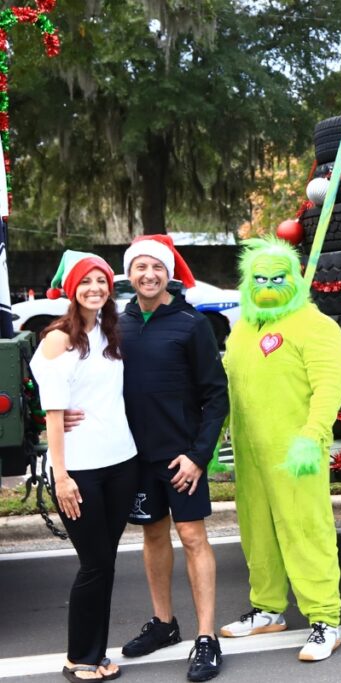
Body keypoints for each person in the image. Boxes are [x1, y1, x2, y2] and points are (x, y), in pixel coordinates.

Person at [64, 236, 229, 681]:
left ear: (169, 273)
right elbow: (86, 376)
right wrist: (63, 415)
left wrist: (198, 456)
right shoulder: (115, 324)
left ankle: (206, 637)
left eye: (156, 268)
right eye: (139, 268)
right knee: (152, 536)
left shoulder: (192, 324)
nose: (148, 275)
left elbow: (216, 397)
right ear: (129, 274)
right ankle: (164, 624)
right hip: (131, 459)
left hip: (182, 459)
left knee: (193, 537)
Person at [217, 238, 341, 660]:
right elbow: (228, 389)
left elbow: (330, 386)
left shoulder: (315, 325)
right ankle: (268, 608)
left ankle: (325, 619)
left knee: (306, 531)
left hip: (297, 453)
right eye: (259, 278)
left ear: (294, 280)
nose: (268, 285)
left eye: (277, 277)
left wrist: (312, 436)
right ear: (247, 282)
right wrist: (214, 441)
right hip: (251, 454)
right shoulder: (241, 329)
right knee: (257, 532)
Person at [31, 252, 136, 682]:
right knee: (93, 564)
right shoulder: (59, 338)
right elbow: (54, 413)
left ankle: (97, 652)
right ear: (72, 289)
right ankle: (79, 658)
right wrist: (62, 476)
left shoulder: (109, 333)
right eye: (86, 281)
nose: (95, 287)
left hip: (122, 462)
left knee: (105, 562)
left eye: (101, 280)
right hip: (82, 471)